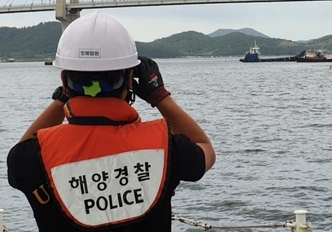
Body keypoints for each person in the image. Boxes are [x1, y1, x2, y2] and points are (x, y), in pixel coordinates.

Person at [7, 12, 216, 231]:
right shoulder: (166, 147)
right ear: (130, 79)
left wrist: (63, 97)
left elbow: (18, 154)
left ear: (64, 81)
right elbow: (206, 150)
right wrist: (159, 96)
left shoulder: (32, 156)